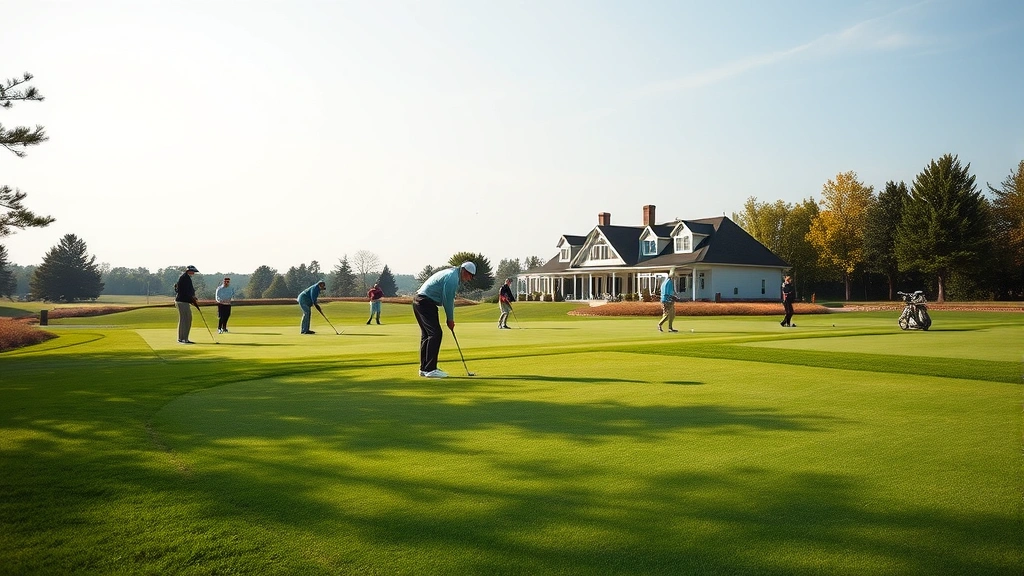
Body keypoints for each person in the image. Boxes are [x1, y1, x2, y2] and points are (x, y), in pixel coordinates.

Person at [412, 261, 476, 378]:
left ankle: (424, 368)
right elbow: (448, 300)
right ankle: (430, 369)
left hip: (419, 301)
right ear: (465, 271)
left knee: (427, 335)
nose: (469, 279)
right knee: (435, 334)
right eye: (470, 276)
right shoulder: (452, 278)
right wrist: (450, 319)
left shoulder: (451, 273)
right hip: (425, 302)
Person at [174, 265, 200, 344]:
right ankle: (184, 339)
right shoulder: (185, 278)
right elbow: (187, 292)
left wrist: (192, 298)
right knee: (187, 319)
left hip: (181, 301)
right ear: (188, 271)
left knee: (183, 320)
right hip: (183, 301)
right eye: (192, 271)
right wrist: (192, 299)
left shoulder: (184, 277)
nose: (193, 273)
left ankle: (181, 338)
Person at [657, 267, 680, 332]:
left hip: (670, 300)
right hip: (666, 301)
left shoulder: (669, 281)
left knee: (672, 315)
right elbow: (666, 293)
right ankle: (659, 325)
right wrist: (673, 297)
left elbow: (671, 292)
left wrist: (674, 297)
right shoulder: (668, 282)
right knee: (667, 315)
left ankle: (670, 328)